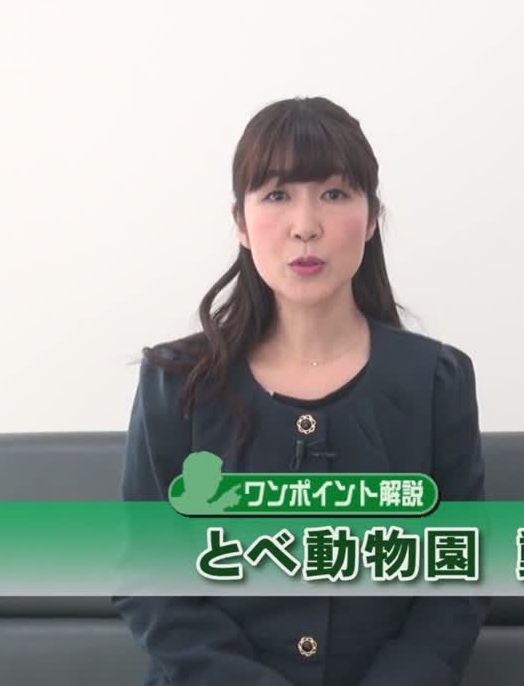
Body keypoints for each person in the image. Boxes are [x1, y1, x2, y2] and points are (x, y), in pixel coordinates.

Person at [113, 96, 488, 685]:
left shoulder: (437, 381)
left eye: (334, 194)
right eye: (277, 195)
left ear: (372, 219)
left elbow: (456, 580)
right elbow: (152, 582)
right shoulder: (177, 383)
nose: (306, 225)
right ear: (240, 222)